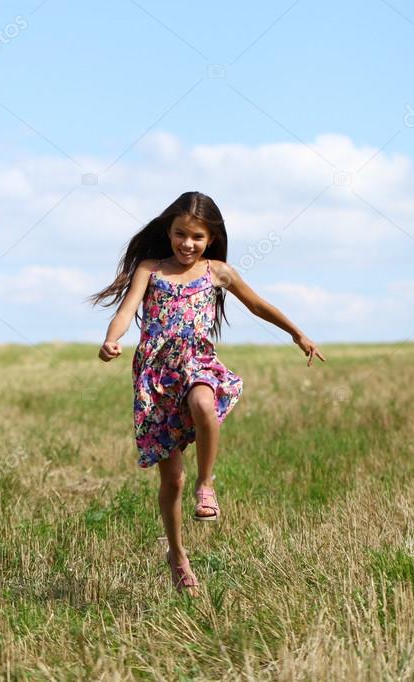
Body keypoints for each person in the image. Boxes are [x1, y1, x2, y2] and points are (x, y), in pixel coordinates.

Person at [86, 191, 325, 597]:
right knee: (171, 481)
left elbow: (258, 305)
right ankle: (177, 555)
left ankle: (207, 483)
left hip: (197, 361)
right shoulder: (151, 268)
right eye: (180, 234)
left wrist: (297, 333)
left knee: (203, 402)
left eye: (197, 236)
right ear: (169, 231)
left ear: (211, 238)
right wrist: (112, 340)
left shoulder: (219, 272)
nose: (187, 244)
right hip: (157, 376)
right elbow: (126, 310)